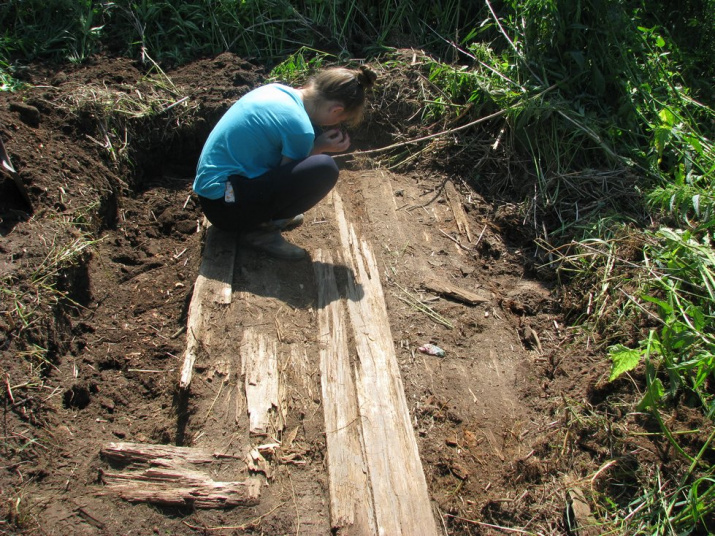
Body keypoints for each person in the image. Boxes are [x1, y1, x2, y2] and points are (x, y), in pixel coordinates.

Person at [193, 65, 377, 260]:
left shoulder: (277, 90)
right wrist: (319, 148)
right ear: (336, 110)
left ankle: (263, 219)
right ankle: (260, 232)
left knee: (310, 140)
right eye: (341, 119)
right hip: (225, 208)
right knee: (324, 168)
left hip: (216, 192)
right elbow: (289, 178)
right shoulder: (300, 128)